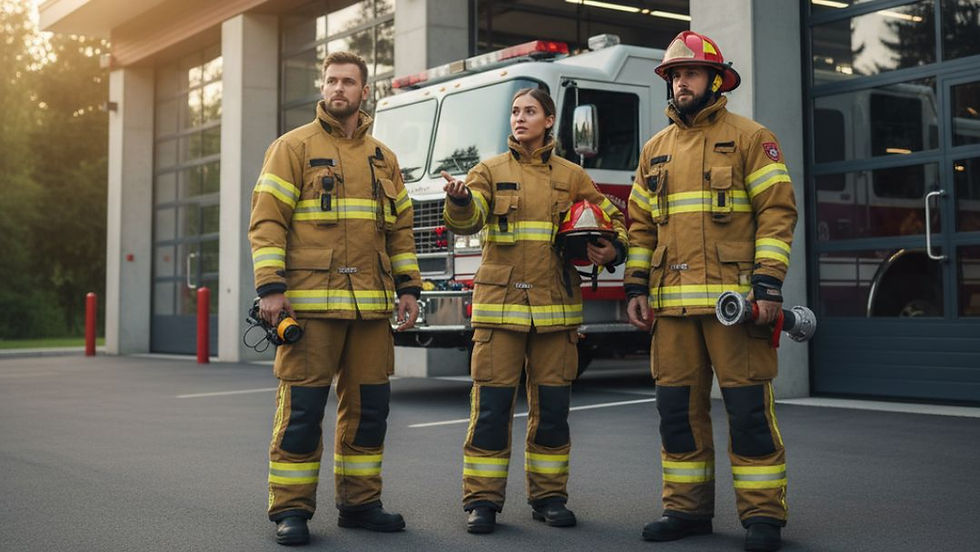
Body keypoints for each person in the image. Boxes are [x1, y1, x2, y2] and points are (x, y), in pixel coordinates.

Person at [624, 31, 798, 552]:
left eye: (691, 73)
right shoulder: (654, 150)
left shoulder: (751, 138)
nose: (681, 83)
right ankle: (686, 510)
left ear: (715, 79)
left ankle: (763, 516)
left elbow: (777, 213)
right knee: (677, 413)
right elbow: (639, 227)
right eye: (674, 75)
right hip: (672, 309)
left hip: (735, 307)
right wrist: (636, 286)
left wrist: (768, 284)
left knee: (747, 412)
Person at [248, 51, 421, 546]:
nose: (338, 88)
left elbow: (401, 233)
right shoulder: (292, 147)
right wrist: (271, 289)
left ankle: (361, 503)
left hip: (370, 307)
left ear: (364, 91)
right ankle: (291, 509)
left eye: (348, 81)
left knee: (370, 411)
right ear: (323, 88)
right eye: (331, 81)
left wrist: (408, 288)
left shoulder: (384, 158)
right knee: (302, 410)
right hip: (310, 305)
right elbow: (266, 223)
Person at [442, 87, 628, 534]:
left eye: (529, 111)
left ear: (549, 120)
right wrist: (461, 199)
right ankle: (482, 502)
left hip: (555, 313)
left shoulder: (573, 176)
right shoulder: (488, 170)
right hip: (499, 312)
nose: (519, 118)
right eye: (514, 111)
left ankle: (549, 497)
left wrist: (612, 249)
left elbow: (614, 220)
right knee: (490, 408)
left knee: (554, 410)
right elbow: (468, 220)